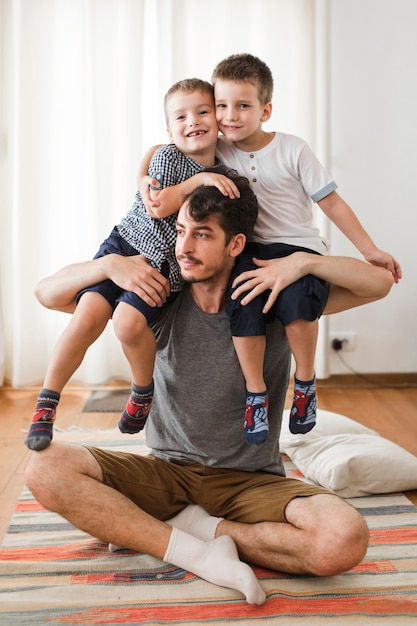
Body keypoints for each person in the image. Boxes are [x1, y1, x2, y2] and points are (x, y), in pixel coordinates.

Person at [25, 172, 392, 604]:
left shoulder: (271, 298)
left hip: (250, 482)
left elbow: (378, 283)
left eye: (202, 235)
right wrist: (107, 264)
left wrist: (303, 262)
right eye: (181, 231)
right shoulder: (158, 299)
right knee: (43, 469)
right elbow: (47, 293)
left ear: (235, 244)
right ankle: (193, 551)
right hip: (165, 472)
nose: (184, 246)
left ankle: (194, 528)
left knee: (343, 539)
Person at [25, 78, 240, 452]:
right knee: (88, 314)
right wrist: (200, 179)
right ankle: (47, 403)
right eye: (182, 116)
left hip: (164, 264)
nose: (194, 120)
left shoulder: (225, 168)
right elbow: (159, 205)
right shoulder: (170, 157)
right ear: (170, 129)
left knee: (127, 323)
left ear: (219, 118)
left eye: (203, 111)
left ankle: (142, 390)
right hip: (124, 244)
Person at [210, 53, 402, 442]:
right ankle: (256, 393)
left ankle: (305, 382)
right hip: (252, 249)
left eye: (243, 105)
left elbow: (330, 202)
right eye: (222, 105)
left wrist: (369, 250)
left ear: (265, 110)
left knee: (297, 300)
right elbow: (166, 150)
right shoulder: (218, 150)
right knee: (243, 299)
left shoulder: (293, 149)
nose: (230, 115)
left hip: (299, 248)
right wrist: (145, 175)